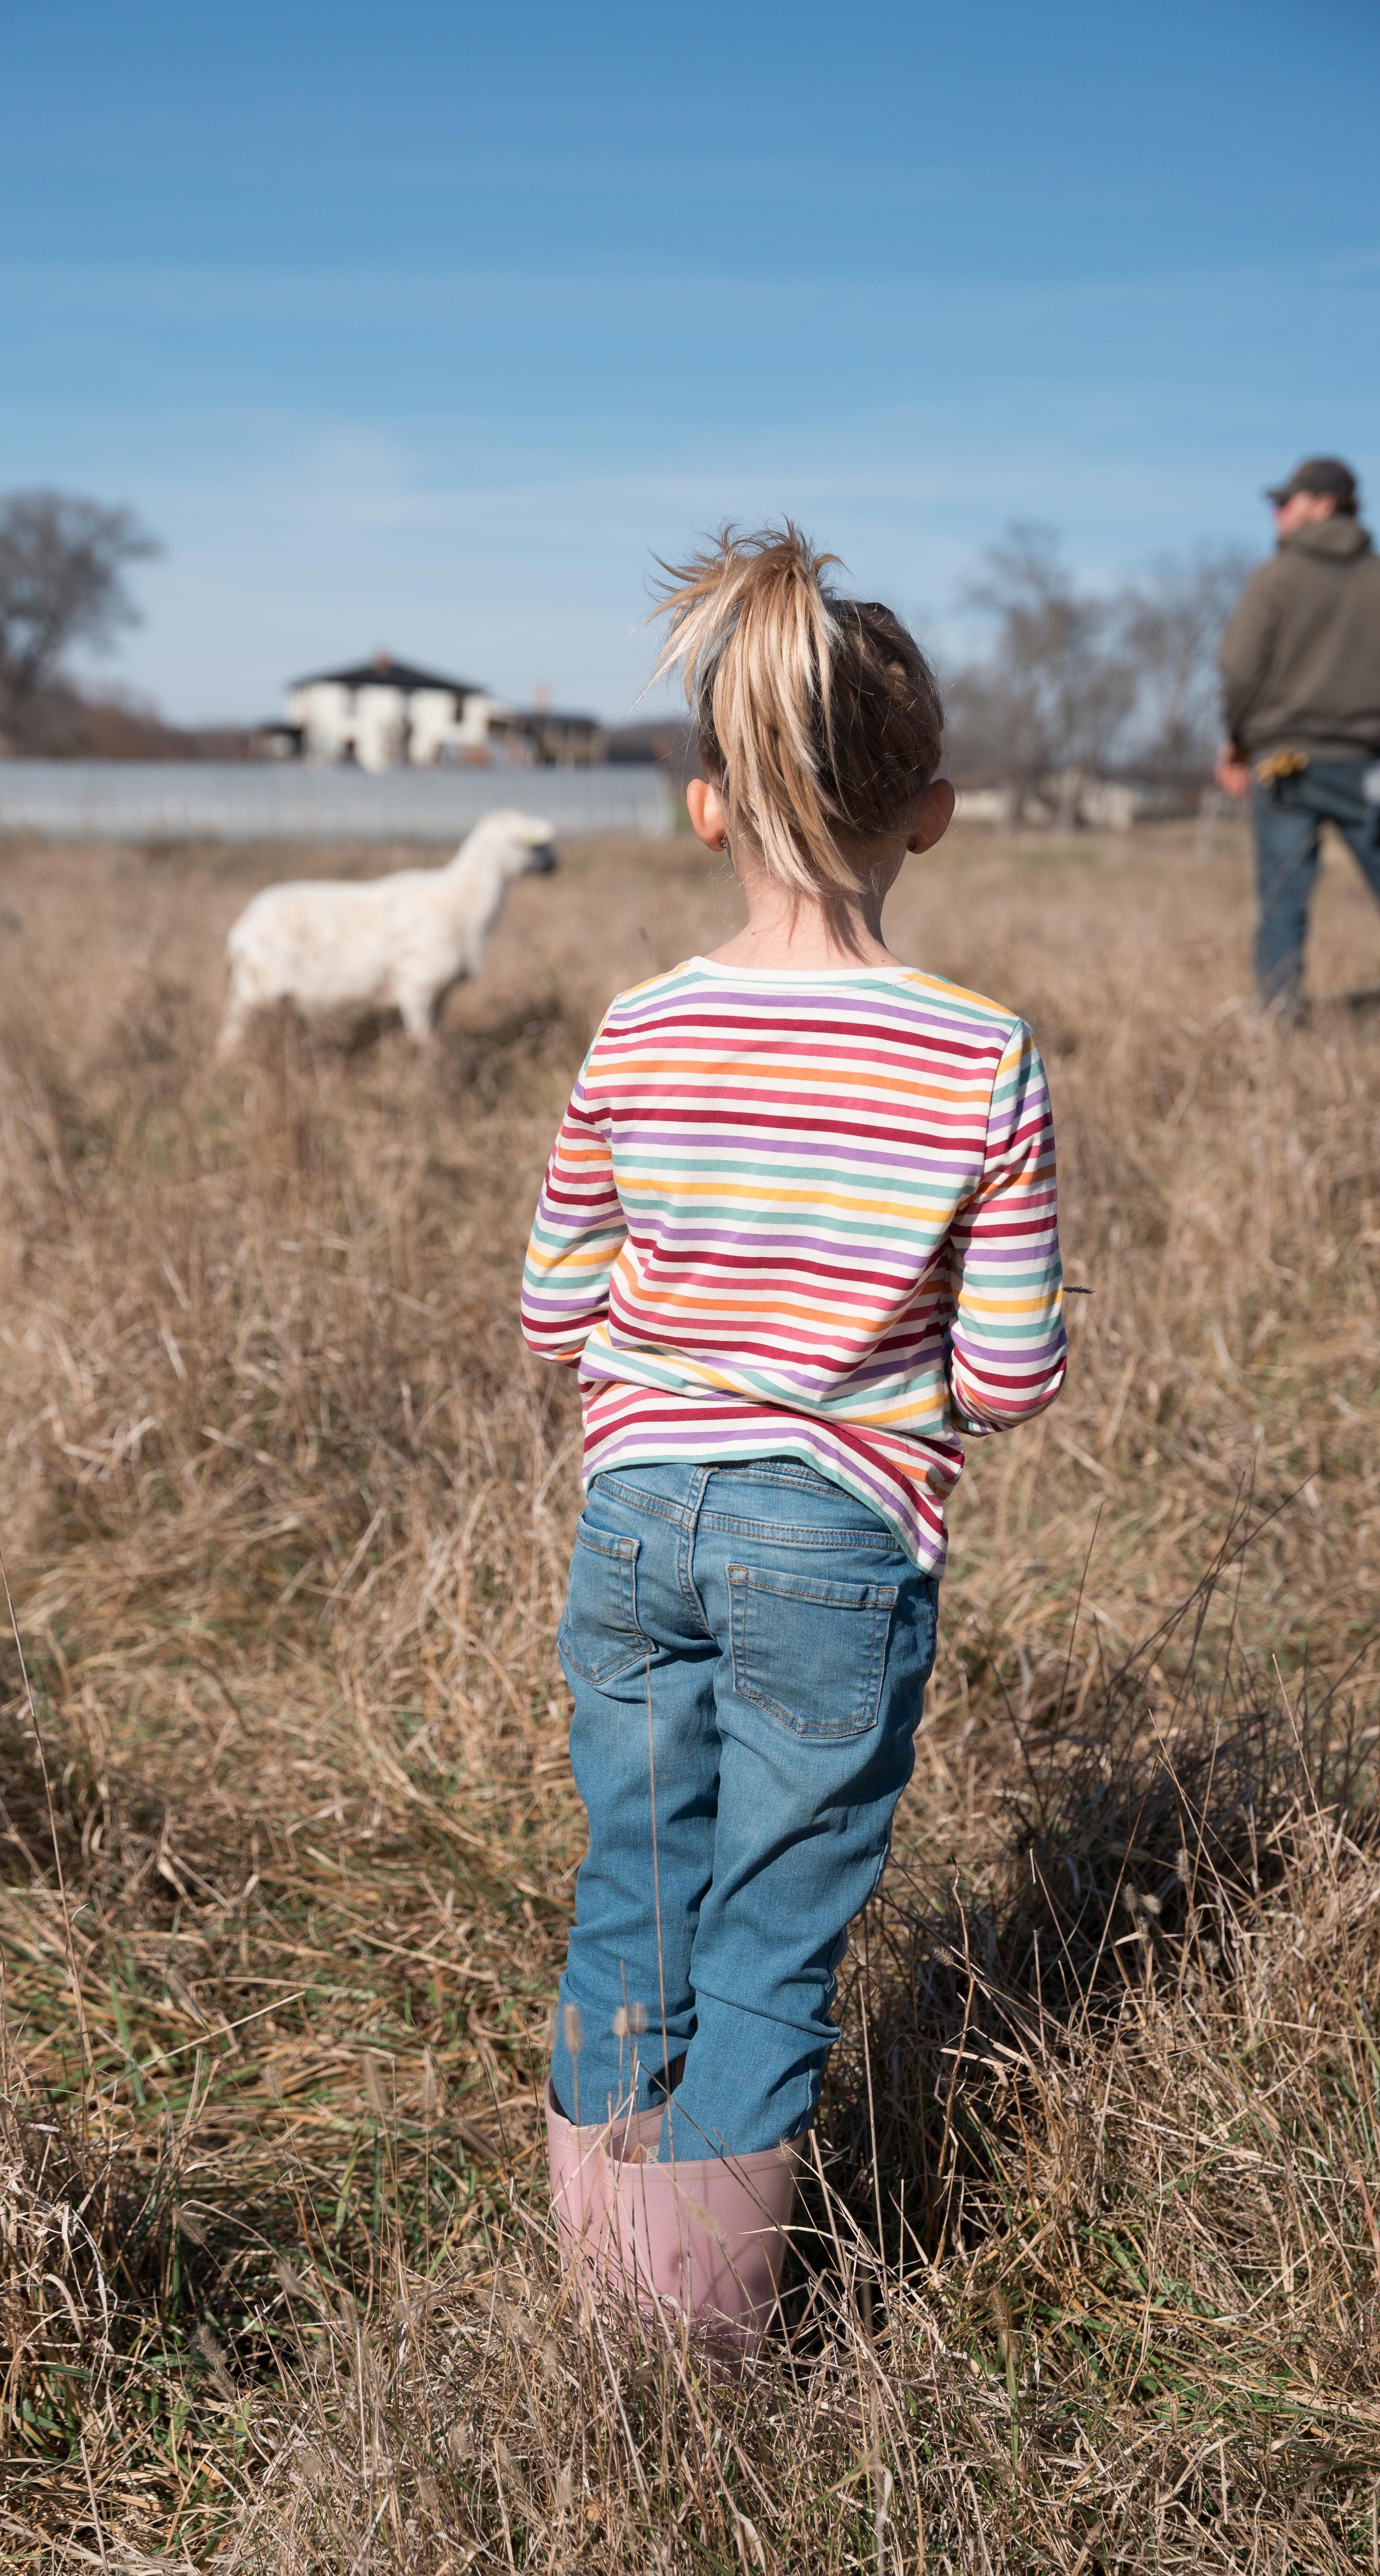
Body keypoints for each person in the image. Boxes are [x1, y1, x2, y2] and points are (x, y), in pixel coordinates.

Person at [519, 525, 1067, 2350]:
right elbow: (1006, 1382)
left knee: (638, 1893)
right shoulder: (980, 1056)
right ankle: (694, 2352)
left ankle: (601, 2318)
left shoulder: (640, 1024)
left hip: (634, 1517)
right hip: (836, 1542)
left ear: (704, 810)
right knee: (767, 1942)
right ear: (933, 813)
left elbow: (546, 1310)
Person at [1216, 456, 1380, 1019]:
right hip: (1367, 766)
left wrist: (1237, 742)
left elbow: (1238, 668)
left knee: (1282, 899)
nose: (1276, 513)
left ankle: (1278, 1020)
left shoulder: (1276, 578)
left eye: (1288, 501)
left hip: (1282, 764)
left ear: (1326, 503)